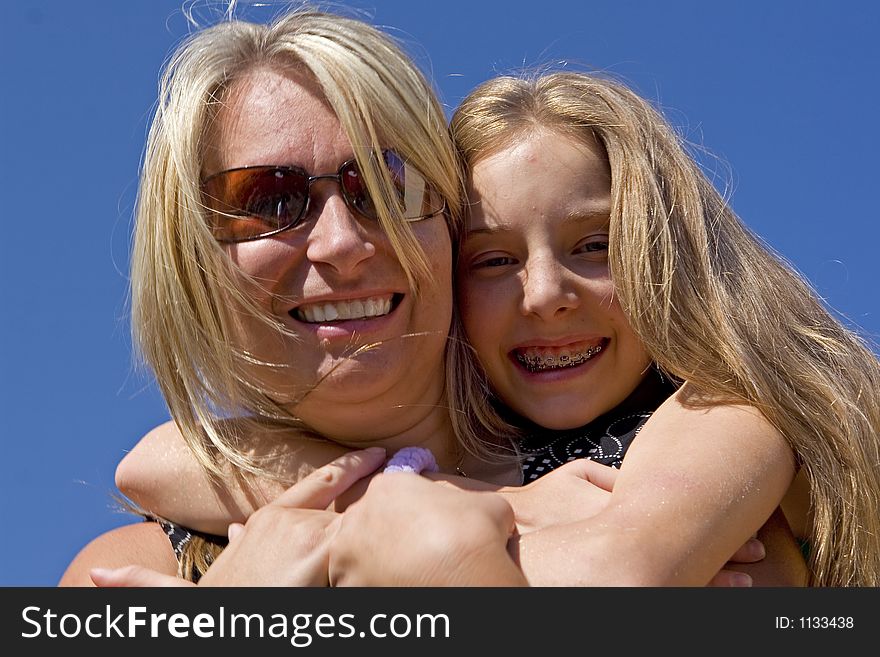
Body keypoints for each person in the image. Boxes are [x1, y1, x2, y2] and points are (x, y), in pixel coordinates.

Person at [59, 7, 803, 588]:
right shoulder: (130, 568)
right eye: (268, 198)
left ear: (447, 222)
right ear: (189, 255)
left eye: (386, 184)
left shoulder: (665, 477)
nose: (343, 243)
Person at [324, 72, 880, 586]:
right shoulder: (462, 455)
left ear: (668, 256)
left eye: (594, 247)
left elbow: (614, 579)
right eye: (493, 259)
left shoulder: (730, 412)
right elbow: (244, 464)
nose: (544, 295)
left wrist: (372, 543)